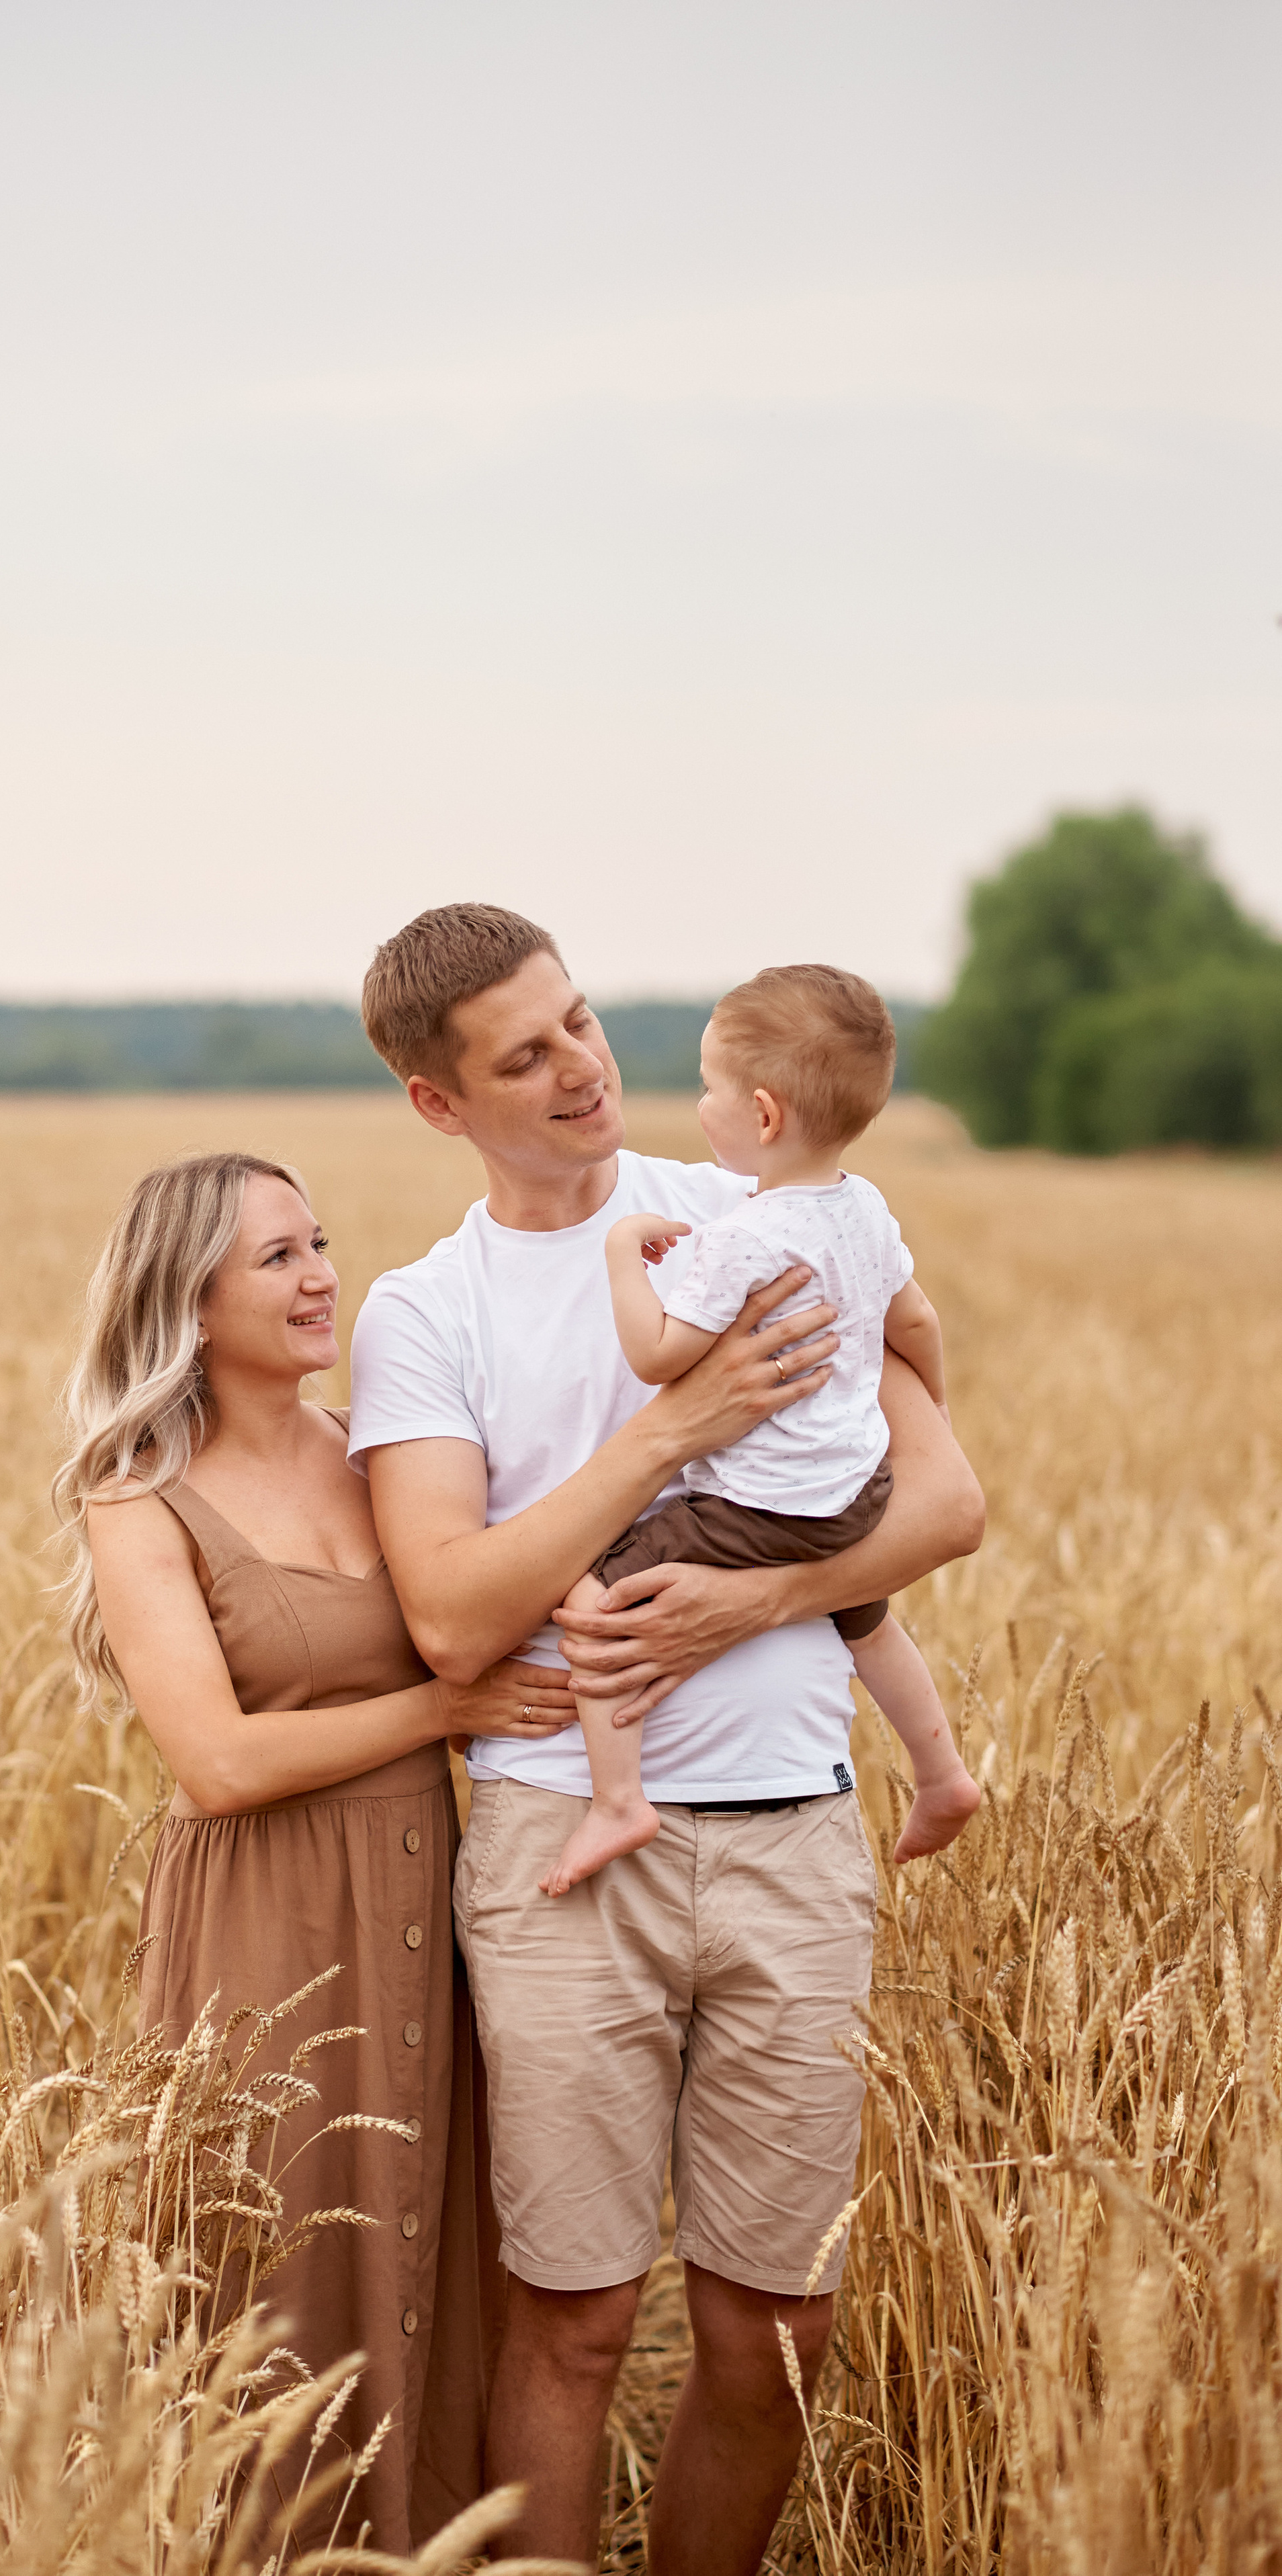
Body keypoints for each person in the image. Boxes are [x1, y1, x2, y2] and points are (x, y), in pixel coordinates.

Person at [347, 906, 984, 2576]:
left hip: (790, 1835)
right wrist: (674, 1436)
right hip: (561, 1852)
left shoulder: (762, 1212)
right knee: (569, 2318)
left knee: (772, 2325)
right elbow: (456, 1620)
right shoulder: (425, 1314)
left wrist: (749, 1608)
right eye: (522, 1054)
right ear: (438, 1104)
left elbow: (945, 1500)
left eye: (576, 1022)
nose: (578, 1067)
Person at [52, 1149, 576, 2554]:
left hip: (431, 1903)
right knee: (274, 2254)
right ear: (188, 1298)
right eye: (275, 1258)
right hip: (263, 1930)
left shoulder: (382, 1450)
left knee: (430, 2241)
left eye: (319, 1244)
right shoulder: (138, 1497)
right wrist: (441, 1710)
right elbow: (215, 1765)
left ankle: (427, 2539)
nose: (319, 1276)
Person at [542, 961, 982, 1898]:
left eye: (710, 1087)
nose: (701, 1104)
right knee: (865, 1619)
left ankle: (618, 1799)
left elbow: (659, 1355)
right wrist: (932, 1416)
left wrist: (623, 1252)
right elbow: (919, 1326)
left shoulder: (743, 1237)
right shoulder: (864, 1206)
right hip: (856, 1494)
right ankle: (942, 1772)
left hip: (763, 1503)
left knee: (591, 1597)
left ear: (766, 1114)